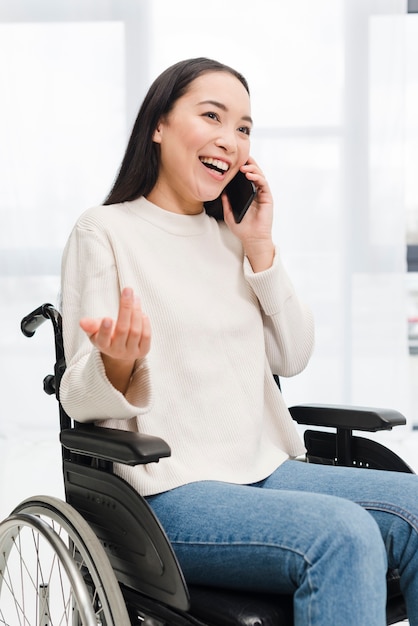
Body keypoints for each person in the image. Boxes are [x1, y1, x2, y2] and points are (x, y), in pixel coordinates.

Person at [60, 57, 418, 625]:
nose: (231, 140)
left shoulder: (233, 236)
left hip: (268, 468)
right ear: (159, 123)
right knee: (342, 534)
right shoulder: (104, 231)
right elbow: (78, 399)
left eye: (245, 128)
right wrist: (116, 363)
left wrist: (260, 247)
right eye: (212, 116)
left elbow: (293, 355)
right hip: (168, 491)